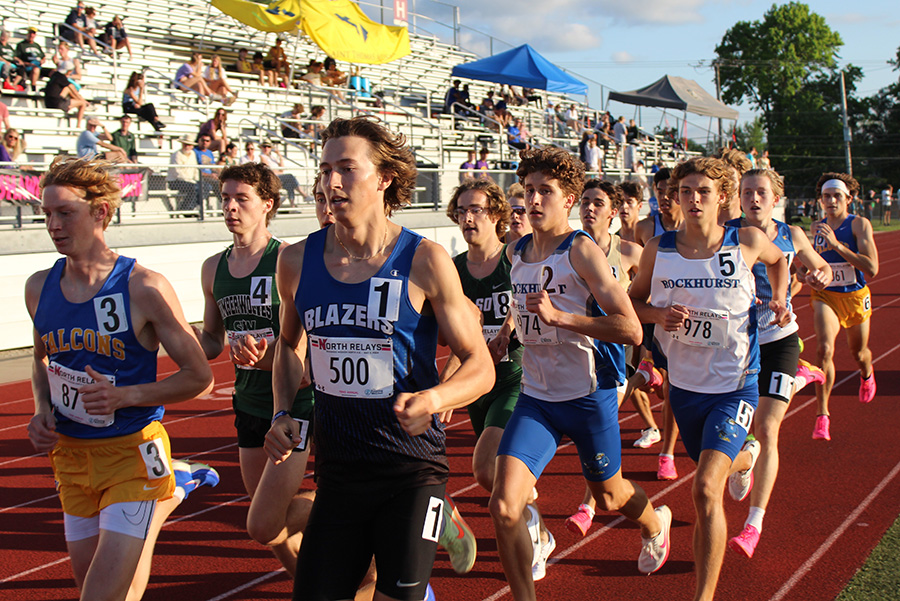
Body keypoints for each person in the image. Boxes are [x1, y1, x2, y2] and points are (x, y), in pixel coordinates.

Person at [264, 116, 494, 601]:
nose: (331, 182)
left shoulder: (424, 260)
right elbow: (288, 346)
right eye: (325, 169)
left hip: (411, 470)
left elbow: (480, 364)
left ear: (384, 178)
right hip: (338, 471)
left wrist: (433, 398)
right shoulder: (295, 261)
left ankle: (442, 518)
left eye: (346, 169)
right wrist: (283, 411)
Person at [25, 156, 217, 601]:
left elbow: (199, 376)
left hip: (133, 453)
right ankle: (172, 493)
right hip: (72, 460)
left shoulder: (143, 286)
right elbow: (41, 360)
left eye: (65, 213)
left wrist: (124, 395)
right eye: (46, 213)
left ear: (101, 214)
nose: (53, 224)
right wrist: (41, 412)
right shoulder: (39, 287)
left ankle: (162, 488)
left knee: (100, 597)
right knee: (104, 587)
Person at [488, 147, 671, 600]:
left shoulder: (582, 251)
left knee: (609, 497)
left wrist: (563, 319)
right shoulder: (515, 252)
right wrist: (507, 334)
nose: (533, 201)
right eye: (528, 190)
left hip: (589, 396)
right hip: (537, 399)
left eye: (545, 192)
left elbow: (630, 328)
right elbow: (526, 305)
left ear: (568, 199)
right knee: (503, 505)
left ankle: (655, 523)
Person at [629, 156, 789, 601]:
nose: (693, 199)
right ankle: (747, 454)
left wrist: (777, 296)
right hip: (684, 387)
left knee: (703, 488)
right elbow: (631, 303)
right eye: (685, 191)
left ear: (723, 198)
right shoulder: (658, 250)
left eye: (703, 192)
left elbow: (779, 264)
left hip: (737, 384)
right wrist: (658, 315)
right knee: (715, 470)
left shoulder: (747, 241)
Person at [193, 161, 315, 577]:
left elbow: (312, 345)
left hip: (296, 400)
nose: (230, 207)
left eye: (241, 198)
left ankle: (384, 503)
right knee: (267, 521)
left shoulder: (289, 259)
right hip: (248, 402)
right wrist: (182, 336)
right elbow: (212, 341)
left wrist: (266, 358)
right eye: (225, 198)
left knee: (266, 521)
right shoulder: (213, 267)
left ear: (267, 204)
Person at [725, 168, 832, 558]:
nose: (753, 198)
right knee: (735, 431)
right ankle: (744, 460)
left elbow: (822, 268)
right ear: (738, 197)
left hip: (780, 341)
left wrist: (819, 273)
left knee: (768, 428)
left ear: (776, 199)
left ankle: (753, 525)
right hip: (736, 346)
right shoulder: (726, 232)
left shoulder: (793, 235)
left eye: (761, 192)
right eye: (747, 192)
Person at [564, 179, 655, 537]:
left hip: (617, 356)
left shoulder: (630, 252)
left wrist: (646, 348)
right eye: (584, 201)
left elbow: (645, 303)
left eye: (598, 202)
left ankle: (587, 506)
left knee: (600, 424)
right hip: (576, 354)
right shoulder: (568, 250)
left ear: (613, 213)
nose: (589, 208)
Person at [443, 178, 524, 573]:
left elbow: (532, 301)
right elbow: (457, 341)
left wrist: (509, 326)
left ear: (496, 214)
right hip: (478, 383)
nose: (467, 218)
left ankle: (530, 531)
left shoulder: (515, 258)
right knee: (499, 476)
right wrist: (445, 390)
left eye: (475, 210)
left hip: (515, 377)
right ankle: (533, 520)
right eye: (460, 211)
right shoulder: (453, 270)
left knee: (482, 467)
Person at [810, 173, 880, 440]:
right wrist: (808, 275)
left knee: (858, 352)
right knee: (824, 348)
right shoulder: (816, 229)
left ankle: (866, 372)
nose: (831, 201)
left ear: (848, 199)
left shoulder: (859, 225)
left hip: (855, 296)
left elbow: (871, 267)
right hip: (826, 296)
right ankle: (822, 415)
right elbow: (808, 267)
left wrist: (836, 245)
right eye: (826, 196)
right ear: (820, 200)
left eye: (837, 196)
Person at [635, 165, 684, 480]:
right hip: (653, 311)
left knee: (675, 389)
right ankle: (649, 368)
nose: (664, 198)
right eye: (659, 192)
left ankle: (666, 453)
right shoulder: (644, 229)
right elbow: (635, 269)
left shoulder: (695, 226)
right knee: (664, 385)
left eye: (669, 192)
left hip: (685, 315)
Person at [166, 136, 199, 213]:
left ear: (192, 146)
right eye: (185, 144)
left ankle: (189, 207)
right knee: (194, 187)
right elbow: (178, 172)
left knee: (205, 187)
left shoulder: (193, 154)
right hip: (175, 181)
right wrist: (191, 181)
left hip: (190, 181)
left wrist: (197, 180)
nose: (187, 146)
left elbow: (195, 169)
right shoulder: (177, 155)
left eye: (189, 145)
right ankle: (185, 209)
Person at [15, 26, 47, 91]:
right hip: (28, 66)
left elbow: (43, 56)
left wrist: (42, 60)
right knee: (36, 69)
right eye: (30, 33)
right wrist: (23, 62)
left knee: (53, 72)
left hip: (37, 65)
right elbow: (16, 56)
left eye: (33, 33)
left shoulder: (37, 45)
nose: (31, 35)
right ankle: (33, 87)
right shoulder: (22, 45)